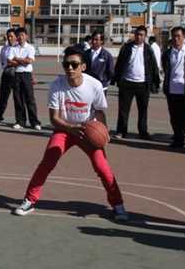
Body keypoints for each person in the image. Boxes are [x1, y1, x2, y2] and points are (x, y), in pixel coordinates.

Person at [14, 46, 128, 220]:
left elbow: (99, 112)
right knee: (47, 162)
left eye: (74, 64)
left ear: (83, 66)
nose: (70, 68)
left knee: (102, 168)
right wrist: (71, 129)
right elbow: (54, 119)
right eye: (66, 64)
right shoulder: (56, 86)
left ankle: (118, 205)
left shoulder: (94, 85)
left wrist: (104, 133)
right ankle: (29, 200)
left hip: (88, 131)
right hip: (64, 130)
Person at [111, 25, 160, 140]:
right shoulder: (126, 48)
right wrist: (117, 79)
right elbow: (119, 64)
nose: (138, 37)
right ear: (134, 35)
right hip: (127, 83)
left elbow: (153, 67)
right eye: (137, 34)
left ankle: (143, 132)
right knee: (123, 110)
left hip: (143, 84)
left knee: (143, 110)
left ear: (145, 36)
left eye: (141, 35)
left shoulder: (148, 50)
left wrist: (155, 83)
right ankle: (121, 131)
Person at [9, 27, 41, 131]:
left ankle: (34, 122)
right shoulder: (13, 48)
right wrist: (23, 60)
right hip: (17, 75)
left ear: (26, 36)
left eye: (22, 35)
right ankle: (20, 121)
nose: (20, 37)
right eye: (18, 35)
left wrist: (17, 59)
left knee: (30, 99)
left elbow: (29, 61)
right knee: (18, 99)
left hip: (27, 75)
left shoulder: (30, 48)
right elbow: (10, 62)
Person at [0, 28, 18, 125]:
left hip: (17, 74)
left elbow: (22, 62)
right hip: (6, 73)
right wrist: (11, 63)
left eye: (12, 36)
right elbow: (3, 62)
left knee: (18, 98)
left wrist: (14, 63)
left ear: (16, 37)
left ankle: (19, 120)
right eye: (8, 36)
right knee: (3, 97)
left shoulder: (19, 47)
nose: (10, 38)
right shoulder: (4, 48)